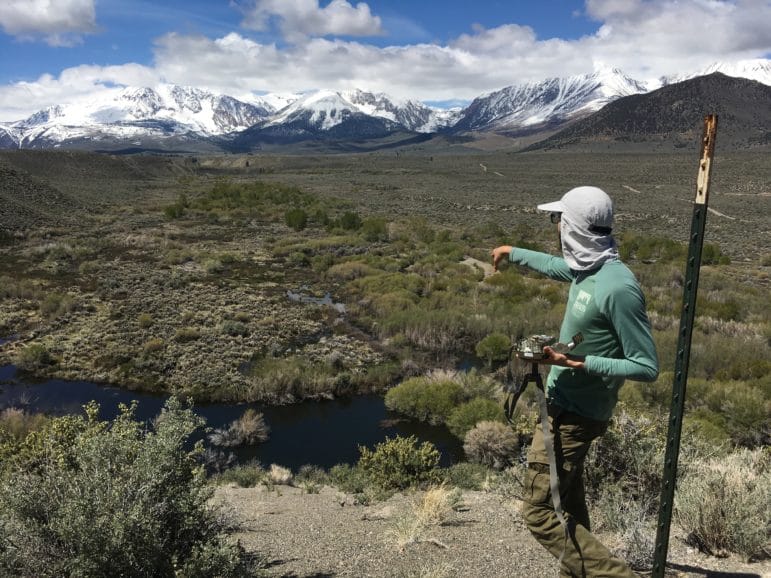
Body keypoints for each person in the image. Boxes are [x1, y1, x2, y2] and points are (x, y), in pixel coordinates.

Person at [491, 186, 659, 578]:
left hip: (575, 416)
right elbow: (556, 267)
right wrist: (512, 252)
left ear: (574, 228)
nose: (556, 228)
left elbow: (646, 366)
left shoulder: (617, 287)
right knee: (569, 504)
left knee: (539, 513)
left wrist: (577, 361)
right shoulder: (590, 267)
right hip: (564, 406)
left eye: (559, 221)